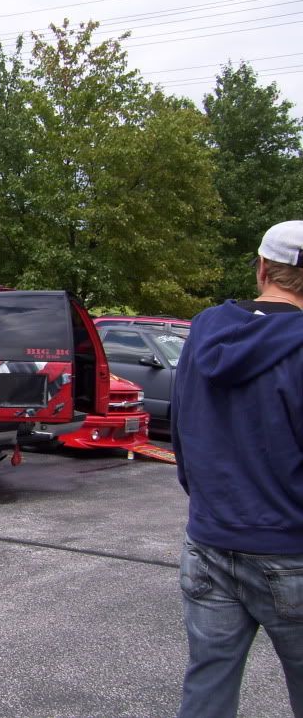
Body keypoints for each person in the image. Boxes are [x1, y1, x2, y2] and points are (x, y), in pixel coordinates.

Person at [171, 219, 303, 718]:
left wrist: (210, 505)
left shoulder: (205, 330)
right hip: (291, 550)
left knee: (208, 686)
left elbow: (182, 433)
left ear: (264, 268)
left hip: (208, 542)